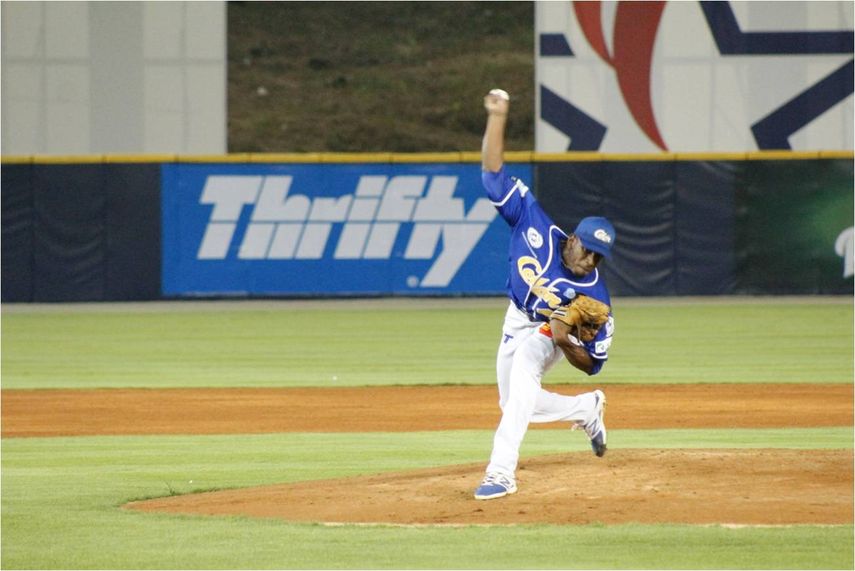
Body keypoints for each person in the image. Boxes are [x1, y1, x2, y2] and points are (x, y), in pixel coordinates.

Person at [474, 88, 616, 500]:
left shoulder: (597, 299)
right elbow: (491, 175)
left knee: (524, 368)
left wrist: (563, 339)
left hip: (545, 333)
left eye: (597, 255)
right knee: (516, 403)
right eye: (585, 246)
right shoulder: (534, 224)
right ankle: (586, 410)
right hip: (516, 317)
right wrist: (497, 116)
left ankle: (501, 472)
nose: (588, 257)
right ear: (572, 237)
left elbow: (594, 363)